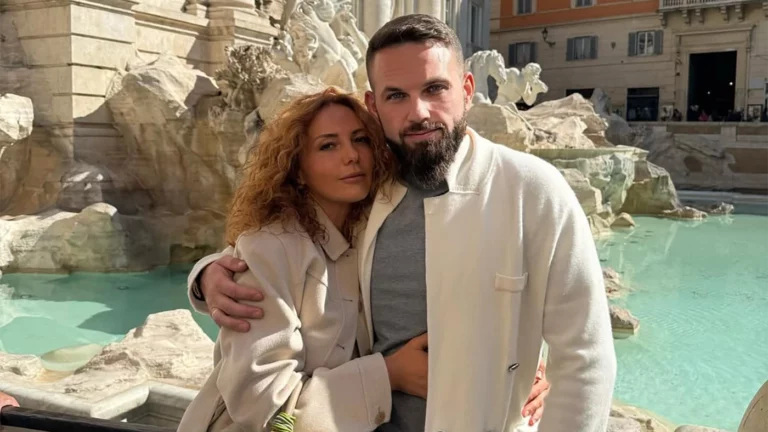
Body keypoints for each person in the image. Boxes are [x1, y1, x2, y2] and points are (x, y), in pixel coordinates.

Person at [189, 14, 616, 432]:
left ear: (467, 90)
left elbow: (585, 355)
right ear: (374, 106)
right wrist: (208, 275)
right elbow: (278, 247)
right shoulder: (370, 190)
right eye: (396, 96)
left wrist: (523, 365)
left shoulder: (532, 188)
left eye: (435, 88)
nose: (419, 112)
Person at [178, 88, 397, 431]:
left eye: (360, 139)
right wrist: (389, 376)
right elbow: (262, 403)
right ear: (298, 169)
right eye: (328, 145)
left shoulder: (371, 230)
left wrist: (204, 273)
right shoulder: (270, 247)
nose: (352, 156)